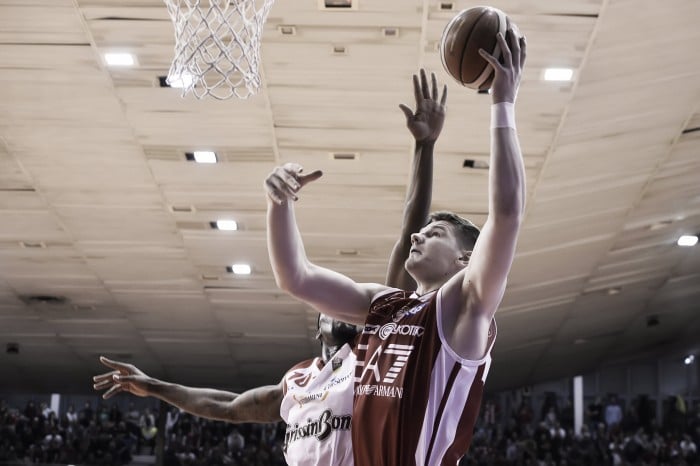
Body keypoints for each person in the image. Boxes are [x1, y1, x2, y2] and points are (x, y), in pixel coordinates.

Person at [93, 67, 441, 466]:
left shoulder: (379, 353)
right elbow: (228, 406)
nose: (347, 310)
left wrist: (424, 148)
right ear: (319, 325)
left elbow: (408, 234)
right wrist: (153, 386)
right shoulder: (298, 381)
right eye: (331, 309)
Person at [264, 28, 526, 466]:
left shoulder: (465, 307)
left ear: (466, 260)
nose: (418, 235)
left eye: (435, 233)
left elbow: (508, 215)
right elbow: (296, 277)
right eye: (422, 230)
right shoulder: (385, 305)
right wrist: (278, 204)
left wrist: (503, 103)